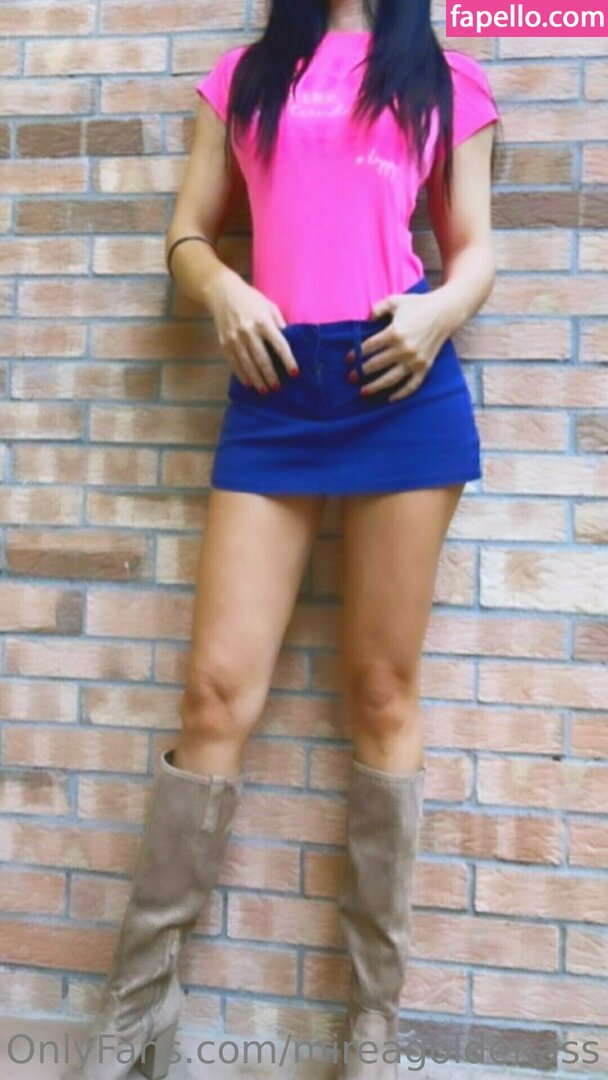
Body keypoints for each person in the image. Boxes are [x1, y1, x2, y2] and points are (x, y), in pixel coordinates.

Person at [61, 1, 500, 1077]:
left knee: (382, 693)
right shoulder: (245, 75)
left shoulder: (443, 79)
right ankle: (136, 1016)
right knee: (215, 694)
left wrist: (439, 313)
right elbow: (188, 233)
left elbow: (476, 252)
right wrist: (218, 285)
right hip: (273, 386)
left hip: (397, 380)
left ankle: (370, 1031)